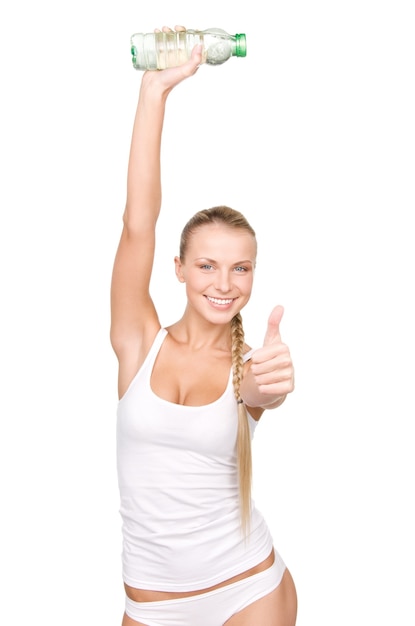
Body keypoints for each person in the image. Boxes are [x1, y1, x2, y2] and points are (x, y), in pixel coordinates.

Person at [110, 25, 297, 626]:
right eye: (208, 265)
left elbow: (257, 394)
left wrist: (273, 385)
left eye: (240, 267)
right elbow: (139, 222)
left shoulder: (247, 366)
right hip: (150, 603)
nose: (225, 283)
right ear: (180, 270)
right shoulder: (138, 341)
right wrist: (154, 93)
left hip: (248, 591)